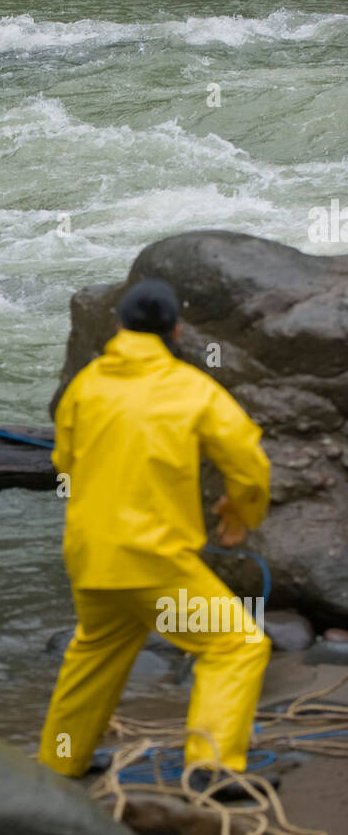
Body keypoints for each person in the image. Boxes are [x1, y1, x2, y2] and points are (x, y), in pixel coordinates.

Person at [38, 279, 272, 793]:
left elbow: (64, 463)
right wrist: (240, 511)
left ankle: (59, 764)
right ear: (177, 331)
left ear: (119, 325)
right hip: (154, 557)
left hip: (90, 554)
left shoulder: (86, 384)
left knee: (96, 651)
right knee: (235, 645)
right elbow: (249, 463)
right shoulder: (192, 389)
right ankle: (210, 767)